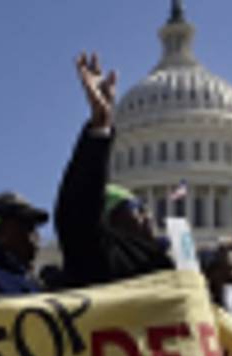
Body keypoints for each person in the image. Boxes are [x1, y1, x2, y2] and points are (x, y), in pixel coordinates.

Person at [54, 53, 173, 289]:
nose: (148, 215)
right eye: (136, 208)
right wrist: (100, 123)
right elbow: (78, 209)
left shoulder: (166, 260)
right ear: (108, 220)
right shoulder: (99, 254)